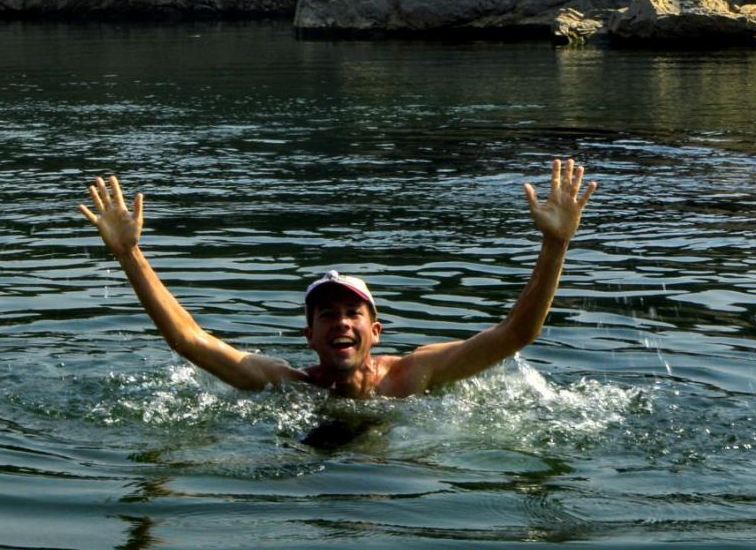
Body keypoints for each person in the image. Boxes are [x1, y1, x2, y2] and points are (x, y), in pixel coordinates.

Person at [76, 158, 596, 399]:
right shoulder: (286, 384)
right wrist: (130, 255)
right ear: (309, 335)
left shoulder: (413, 376)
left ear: (376, 331)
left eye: (352, 313)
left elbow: (516, 336)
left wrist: (556, 245)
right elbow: (188, 340)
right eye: (327, 314)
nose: (341, 323)